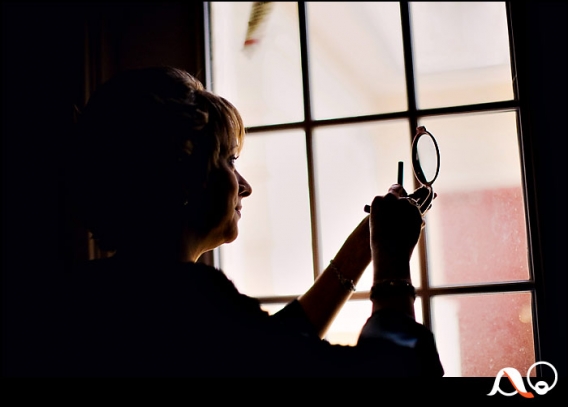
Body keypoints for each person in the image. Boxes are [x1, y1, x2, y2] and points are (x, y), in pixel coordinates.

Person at [21, 66, 444, 377]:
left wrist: (363, 246)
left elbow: (272, 349)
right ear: (184, 174)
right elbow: (392, 370)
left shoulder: (90, 294)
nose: (245, 187)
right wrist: (391, 262)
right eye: (229, 160)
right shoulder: (190, 302)